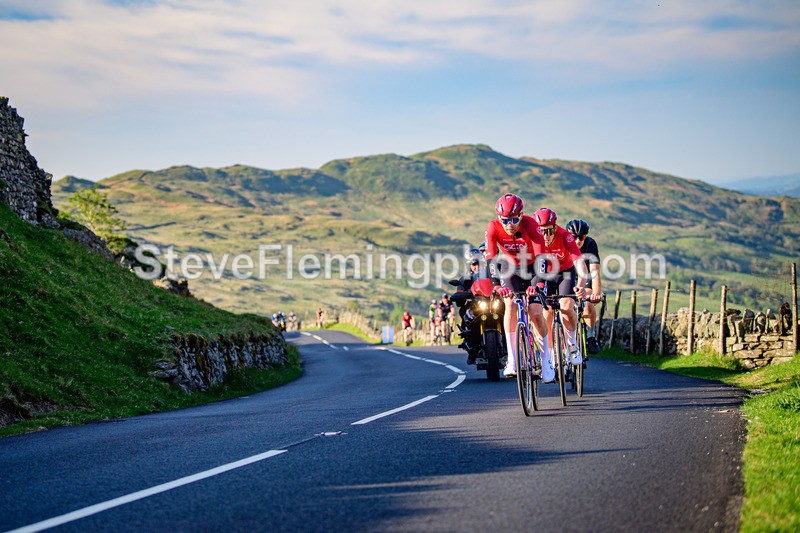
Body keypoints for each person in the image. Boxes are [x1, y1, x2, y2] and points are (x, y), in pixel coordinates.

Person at [485, 193, 554, 381]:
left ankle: (546, 359)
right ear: (499, 218)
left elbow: (542, 257)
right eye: (505, 220)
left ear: (521, 215)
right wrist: (497, 286)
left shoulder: (531, 225)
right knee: (511, 305)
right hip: (510, 268)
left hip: (533, 268)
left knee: (535, 312)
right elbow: (491, 259)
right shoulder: (492, 227)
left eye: (515, 219)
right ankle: (513, 360)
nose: (510, 224)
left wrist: (539, 282)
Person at [533, 208, 586, 365]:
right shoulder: (533, 239)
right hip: (545, 276)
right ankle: (548, 353)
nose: (546, 236)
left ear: (555, 227)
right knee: (546, 312)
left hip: (565, 273)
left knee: (566, 305)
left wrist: (581, 285)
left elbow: (580, 264)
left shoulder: (565, 236)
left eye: (549, 231)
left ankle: (572, 345)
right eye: (541, 231)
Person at [566, 219, 603, 354]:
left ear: (585, 236)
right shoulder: (563, 242)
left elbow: (595, 272)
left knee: (587, 304)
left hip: (585, 275)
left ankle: (591, 336)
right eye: (573, 237)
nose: (577, 241)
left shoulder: (590, 244)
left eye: (581, 237)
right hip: (568, 276)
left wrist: (596, 293)